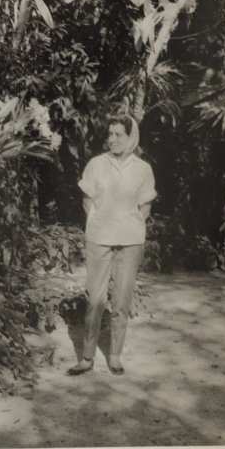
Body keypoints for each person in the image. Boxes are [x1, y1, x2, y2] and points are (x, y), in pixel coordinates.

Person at [69, 114, 156, 375]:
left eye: (119, 134)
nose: (112, 139)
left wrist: (127, 226)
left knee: (121, 301)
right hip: (99, 239)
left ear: (132, 137)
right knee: (95, 300)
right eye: (110, 134)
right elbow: (87, 201)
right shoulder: (97, 164)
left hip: (130, 241)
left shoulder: (143, 169)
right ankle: (87, 357)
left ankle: (115, 355)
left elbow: (145, 208)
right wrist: (99, 223)